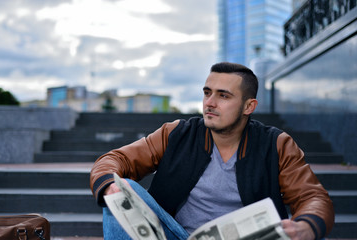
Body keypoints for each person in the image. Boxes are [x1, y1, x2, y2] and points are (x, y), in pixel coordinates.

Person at [90, 62, 334, 240]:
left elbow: (312, 197)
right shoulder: (176, 133)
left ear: (249, 106)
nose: (210, 103)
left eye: (223, 95)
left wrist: (306, 226)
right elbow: (116, 159)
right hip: (174, 236)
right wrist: (109, 185)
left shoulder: (276, 144)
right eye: (207, 93)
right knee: (119, 191)